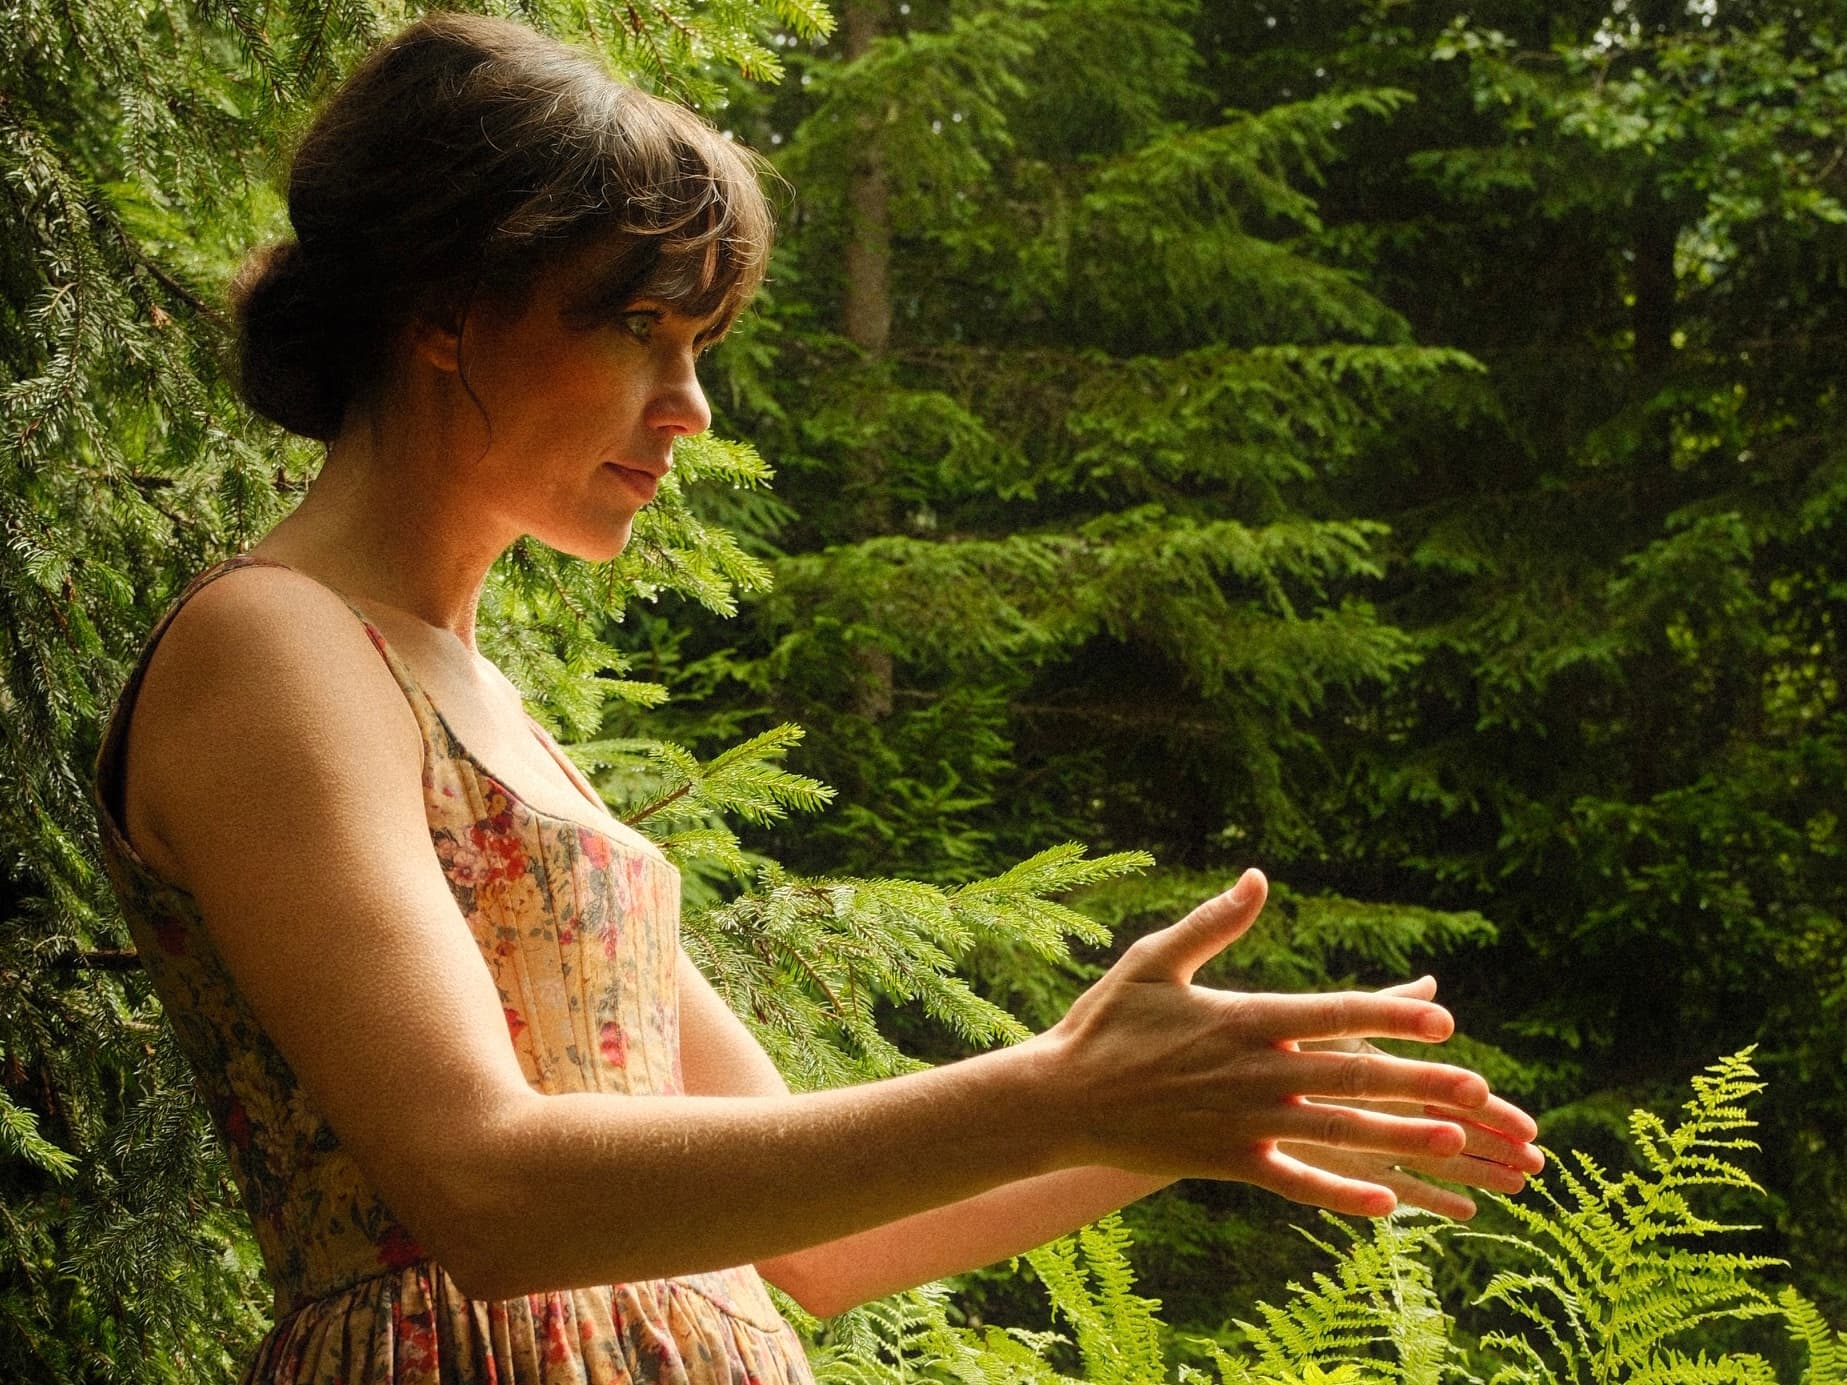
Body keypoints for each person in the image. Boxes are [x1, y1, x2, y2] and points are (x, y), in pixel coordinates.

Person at [90, 13, 1543, 1384]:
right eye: (640, 328)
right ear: (443, 311)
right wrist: (1059, 1089)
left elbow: (836, 1242)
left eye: (700, 348)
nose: (692, 406)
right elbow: (483, 1185)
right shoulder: (273, 641)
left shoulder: (480, 706)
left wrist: (1191, 1106)